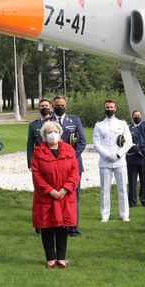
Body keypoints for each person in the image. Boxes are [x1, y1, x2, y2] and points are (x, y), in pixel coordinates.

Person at [31, 121, 80, 268]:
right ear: (44, 136)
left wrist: (65, 189)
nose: (52, 134)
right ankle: (50, 258)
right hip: (46, 197)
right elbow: (36, 175)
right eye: (49, 132)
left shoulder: (69, 150)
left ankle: (61, 258)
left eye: (55, 132)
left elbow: (74, 173)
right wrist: (50, 191)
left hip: (64, 196)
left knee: (62, 227)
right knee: (47, 227)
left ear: (60, 133)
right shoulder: (38, 152)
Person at [93, 99, 132, 222]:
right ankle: (105, 215)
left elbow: (129, 142)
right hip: (105, 162)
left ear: (115, 108)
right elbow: (96, 143)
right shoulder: (99, 125)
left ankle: (124, 215)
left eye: (111, 107)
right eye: (107, 107)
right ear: (104, 108)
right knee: (105, 190)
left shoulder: (122, 123)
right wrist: (107, 155)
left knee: (123, 189)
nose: (109, 109)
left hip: (120, 162)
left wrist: (118, 155)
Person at [52, 96, 86, 236]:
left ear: (66, 106)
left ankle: (73, 228)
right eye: (57, 105)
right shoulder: (48, 122)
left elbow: (82, 142)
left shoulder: (75, 120)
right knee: (55, 197)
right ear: (53, 106)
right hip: (54, 167)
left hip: (73, 166)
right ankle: (57, 226)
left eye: (62, 105)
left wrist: (69, 158)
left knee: (73, 198)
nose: (60, 107)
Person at [126, 110, 145, 208]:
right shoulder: (128, 128)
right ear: (132, 117)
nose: (137, 117)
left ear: (141, 116)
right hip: (132, 158)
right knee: (132, 182)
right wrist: (136, 149)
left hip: (143, 158)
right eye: (135, 115)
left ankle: (144, 200)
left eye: (138, 115)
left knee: (144, 181)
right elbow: (126, 142)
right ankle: (131, 202)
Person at [26, 99, 53, 168]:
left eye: (46, 106)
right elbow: (30, 145)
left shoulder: (56, 122)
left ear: (50, 108)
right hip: (40, 159)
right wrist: (30, 163)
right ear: (39, 108)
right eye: (42, 106)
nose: (44, 107)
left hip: (54, 158)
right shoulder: (33, 125)